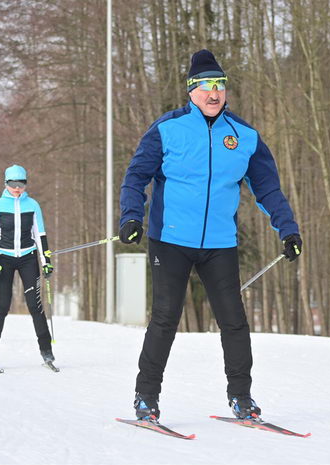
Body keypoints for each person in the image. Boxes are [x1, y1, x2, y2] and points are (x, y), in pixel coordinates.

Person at [119, 49, 302, 421]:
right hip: (170, 240)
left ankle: (242, 397)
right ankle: (146, 396)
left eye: (220, 85)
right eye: (206, 86)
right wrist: (131, 216)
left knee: (233, 320)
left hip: (220, 244)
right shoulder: (167, 129)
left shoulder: (245, 136)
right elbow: (136, 176)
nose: (214, 93)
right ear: (191, 91)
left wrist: (288, 228)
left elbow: (267, 189)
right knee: (165, 317)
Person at [0, 165, 56, 369]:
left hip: (27, 257)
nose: (17, 188)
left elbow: (40, 235)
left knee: (35, 305)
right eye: (13, 184)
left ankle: (47, 353)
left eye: (21, 184)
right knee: (2, 305)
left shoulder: (33, 205)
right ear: (6, 184)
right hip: (4, 259)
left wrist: (46, 262)